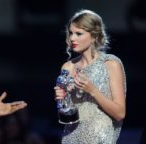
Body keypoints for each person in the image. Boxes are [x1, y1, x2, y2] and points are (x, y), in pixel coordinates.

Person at [54, 9, 126, 143]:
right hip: (72, 138)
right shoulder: (67, 67)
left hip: (99, 138)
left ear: (93, 36)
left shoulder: (110, 64)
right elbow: (66, 118)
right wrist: (63, 101)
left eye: (78, 34)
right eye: (71, 33)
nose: (72, 38)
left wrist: (92, 90)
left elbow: (120, 113)